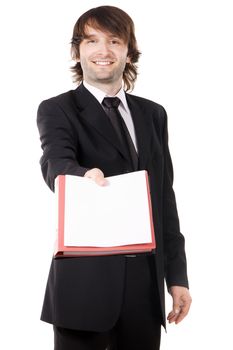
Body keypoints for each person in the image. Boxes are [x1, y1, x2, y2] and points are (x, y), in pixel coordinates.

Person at [37, 5, 192, 350]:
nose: (102, 51)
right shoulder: (57, 109)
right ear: (77, 52)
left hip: (145, 290)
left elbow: (164, 196)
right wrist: (81, 176)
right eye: (91, 41)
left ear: (129, 51)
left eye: (114, 40)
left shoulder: (153, 114)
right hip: (83, 288)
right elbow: (55, 162)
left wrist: (176, 277)